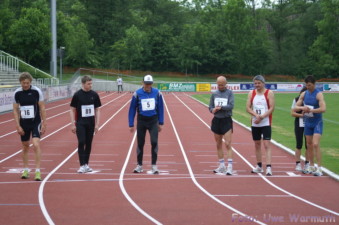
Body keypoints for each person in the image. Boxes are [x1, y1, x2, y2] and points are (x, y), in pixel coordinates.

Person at [13, 72, 46, 181]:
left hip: (35, 122)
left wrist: (44, 123)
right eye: (23, 83)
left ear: (30, 82)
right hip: (24, 123)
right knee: (25, 146)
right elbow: (15, 110)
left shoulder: (36, 91)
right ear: (20, 82)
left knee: (36, 144)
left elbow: (42, 107)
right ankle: (26, 169)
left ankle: (37, 171)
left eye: (27, 83)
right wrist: (18, 126)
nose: (25, 85)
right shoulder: (17, 93)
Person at [128, 75, 164, 174]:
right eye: (146, 84)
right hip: (141, 121)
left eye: (150, 84)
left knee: (154, 142)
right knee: (140, 143)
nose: (148, 86)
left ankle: (154, 166)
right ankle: (139, 165)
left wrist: (161, 122)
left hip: (153, 121)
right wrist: (131, 123)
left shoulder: (157, 93)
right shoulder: (137, 94)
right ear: (142, 83)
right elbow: (132, 109)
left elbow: (161, 108)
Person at [294, 75, 326, 176]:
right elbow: (296, 107)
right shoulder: (304, 93)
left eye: (310, 85)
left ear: (314, 84)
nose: (308, 87)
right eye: (306, 85)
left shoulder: (319, 94)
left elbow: (323, 109)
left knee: (315, 144)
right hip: (308, 122)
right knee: (309, 145)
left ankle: (319, 168)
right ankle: (311, 166)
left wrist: (311, 110)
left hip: (317, 122)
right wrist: (303, 108)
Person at [70, 75, 101, 173]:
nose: (90, 85)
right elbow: (72, 109)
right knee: (81, 142)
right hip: (80, 123)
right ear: (83, 84)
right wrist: (72, 124)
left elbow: (97, 109)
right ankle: (82, 165)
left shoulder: (94, 95)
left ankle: (86, 164)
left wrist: (97, 124)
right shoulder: (77, 95)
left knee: (88, 144)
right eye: (89, 84)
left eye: (91, 83)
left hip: (90, 123)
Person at [246, 75, 275, 176]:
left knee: (266, 144)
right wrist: (255, 115)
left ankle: (268, 167)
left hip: (265, 122)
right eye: (255, 83)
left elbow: (271, 108)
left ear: (263, 83)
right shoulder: (251, 93)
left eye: (259, 83)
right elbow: (248, 108)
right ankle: (259, 166)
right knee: (257, 144)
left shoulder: (269, 93)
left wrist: (262, 117)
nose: (257, 85)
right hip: (255, 123)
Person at [209, 76, 234, 175]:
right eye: (219, 85)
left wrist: (220, 107)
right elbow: (210, 106)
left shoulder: (230, 93)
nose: (220, 86)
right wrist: (212, 110)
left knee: (228, 144)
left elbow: (231, 106)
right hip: (216, 120)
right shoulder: (214, 94)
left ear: (226, 84)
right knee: (218, 144)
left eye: (222, 85)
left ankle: (230, 167)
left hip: (226, 120)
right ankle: (222, 165)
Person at [291, 87, 309, 171]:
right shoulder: (296, 100)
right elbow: (292, 113)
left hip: (309, 123)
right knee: (299, 143)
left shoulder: (311, 101)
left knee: (308, 144)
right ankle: (298, 163)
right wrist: (302, 115)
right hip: (299, 123)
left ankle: (307, 163)